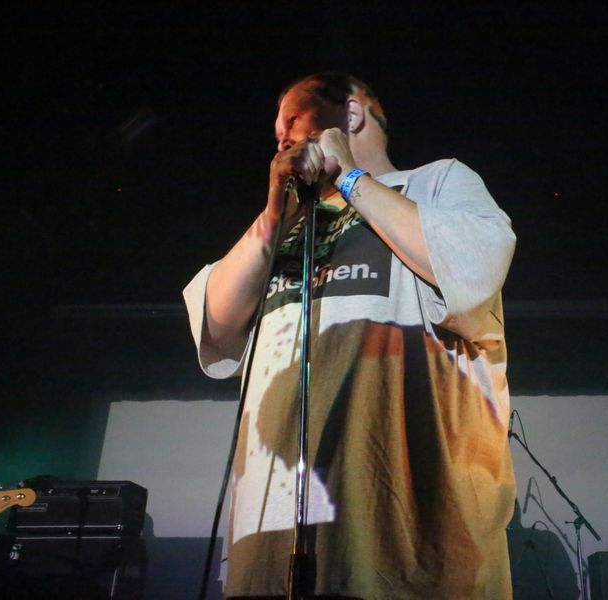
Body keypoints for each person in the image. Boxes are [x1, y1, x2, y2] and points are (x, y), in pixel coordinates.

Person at [183, 72, 516, 599]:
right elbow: (217, 325)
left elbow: (474, 267)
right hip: (269, 553)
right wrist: (275, 214)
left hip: (407, 554)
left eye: (293, 121)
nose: (281, 139)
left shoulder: (434, 183)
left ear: (352, 115)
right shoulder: (286, 228)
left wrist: (352, 179)